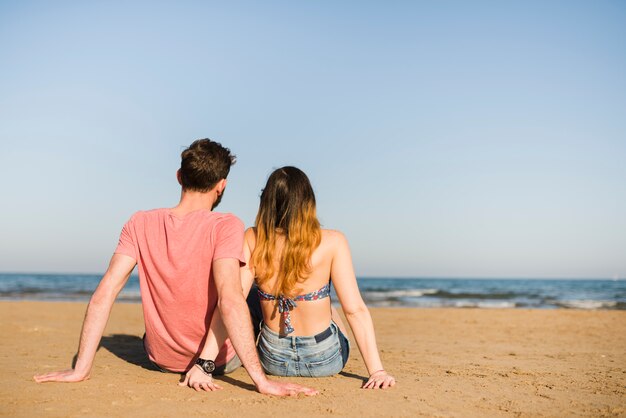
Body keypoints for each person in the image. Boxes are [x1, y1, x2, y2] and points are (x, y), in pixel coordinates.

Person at [34, 140, 317, 397]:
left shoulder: (139, 222)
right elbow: (229, 300)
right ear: (222, 185)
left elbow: (105, 292)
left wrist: (81, 368)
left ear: (180, 177)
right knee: (253, 293)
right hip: (217, 362)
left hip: (160, 359)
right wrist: (261, 381)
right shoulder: (225, 225)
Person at [241, 166, 396, 389]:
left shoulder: (253, 237)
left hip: (272, 359)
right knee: (330, 306)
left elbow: (233, 301)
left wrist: (203, 364)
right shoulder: (333, 241)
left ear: (267, 200)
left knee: (252, 298)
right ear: (308, 201)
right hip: (324, 360)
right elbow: (354, 310)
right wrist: (377, 371)